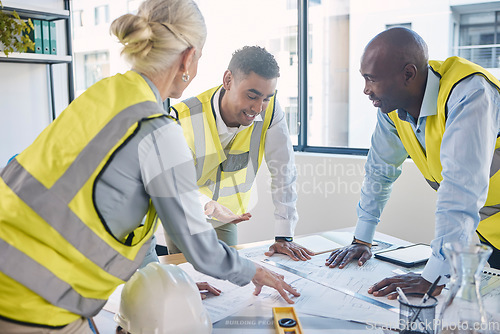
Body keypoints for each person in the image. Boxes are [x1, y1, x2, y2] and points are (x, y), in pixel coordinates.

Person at [0, 1, 299, 333]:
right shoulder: (157, 128)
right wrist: (255, 271)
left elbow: (123, 214)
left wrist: (167, 284)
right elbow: (201, 249)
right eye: (198, 57)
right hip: (33, 300)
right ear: (187, 58)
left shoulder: (102, 94)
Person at [325, 27, 500, 299]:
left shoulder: (469, 92)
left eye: (372, 79)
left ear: (408, 73)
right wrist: (362, 238)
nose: (366, 90)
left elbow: (459, 188)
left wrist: (434, 275)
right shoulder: (392, 109)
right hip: (487, 230)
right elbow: (379, 173)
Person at [165, 46, 314, 261]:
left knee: (227, 277)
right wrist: (206, 205)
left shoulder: (271, 111)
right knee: (191, 279)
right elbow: (171, 183)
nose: (258, 107)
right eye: (252, 96)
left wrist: (284, 236)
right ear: (227, 80)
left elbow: (284, 172)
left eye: (266, 98)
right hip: (184, 212)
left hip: (227, 215)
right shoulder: (182, 118)